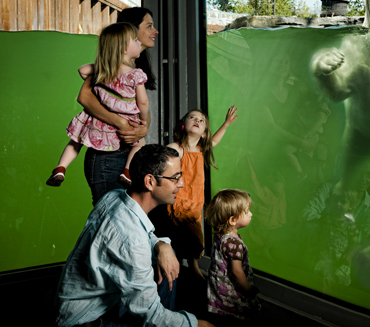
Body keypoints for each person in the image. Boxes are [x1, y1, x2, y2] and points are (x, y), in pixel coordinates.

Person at [53, 144, 214, 327]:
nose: (182, 184)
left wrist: (161, 245)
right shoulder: (132, 240)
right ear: (150, 182)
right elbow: (154, 318)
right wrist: (199, 324)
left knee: (168, 259)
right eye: (176, 178)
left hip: (75, 306)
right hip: (86, 320)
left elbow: (134, 234)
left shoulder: (114, 197)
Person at [46, 23, 148, 190]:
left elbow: (82, 70)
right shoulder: (135, 75)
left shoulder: (102, 72)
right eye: (135, 40)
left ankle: (61, 167)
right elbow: (143, 102)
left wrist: (99, 68)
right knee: (140, 144)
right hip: (120, 129)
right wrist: (143, 120)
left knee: (76, 140)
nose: (139, 43)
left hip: (97, 123)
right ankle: (127, 171)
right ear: (123, 49)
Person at [76, 7, 159, 205]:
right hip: (108, 154)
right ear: (129, 30)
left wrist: (144, 127)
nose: (155, 31)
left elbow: (139, 107)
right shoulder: (111, 64)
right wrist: (121, 123)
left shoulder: (135, 67)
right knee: (109, 219)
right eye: (149, 26)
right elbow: (85, 97)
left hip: (127, 152)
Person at [157, 107, 238, 280]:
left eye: (201, 121)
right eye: (192, 117)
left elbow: (214, 142)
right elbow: (162, 163)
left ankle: (192, 264)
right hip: (178, 199)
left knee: (195, 235)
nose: (197, 121)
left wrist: (226, 123)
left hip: (195, 201)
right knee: (177, 232)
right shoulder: (176, 148)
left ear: (204, 133)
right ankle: (182, 266)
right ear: (182, 126)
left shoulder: (201, 150)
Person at [204, 189, 260, 326]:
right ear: (233, 220)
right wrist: (248, 288)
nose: (251, 214)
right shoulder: (233, 243)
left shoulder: (219, 236)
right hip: (231, 294)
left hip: (218, 290)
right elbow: (236, 271)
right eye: (247, 212)